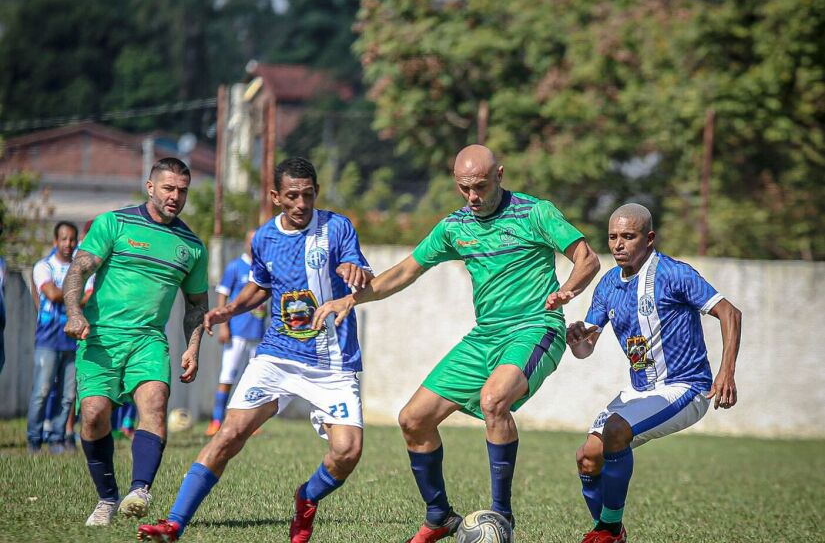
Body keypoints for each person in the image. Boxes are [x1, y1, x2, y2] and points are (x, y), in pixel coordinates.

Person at [311, 144, 601, 542]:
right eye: (464, 189)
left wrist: (567, 290)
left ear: (499, 174)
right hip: (484, 337)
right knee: (413, 419)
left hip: (536, 329)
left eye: (480, 186)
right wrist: (351, 298)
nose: (473, 197)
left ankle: (501, 516)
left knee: (493, 399)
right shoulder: (454, 226)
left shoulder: (536, 213)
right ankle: (439, 517)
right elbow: (404, 272)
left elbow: (587, 258)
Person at [138, 157, 374, 543]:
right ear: (275, 196)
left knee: (347, 452)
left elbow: (355, 269)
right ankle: (174, 523)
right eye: (293, 196)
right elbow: (261, 286)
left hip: (332, 361)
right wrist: (230, 309)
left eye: (308, 195)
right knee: (229, 434)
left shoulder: (337, 227)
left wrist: (354, 272)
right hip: (277, 355)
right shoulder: (264, 238)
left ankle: (306, 497)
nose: (301, 204)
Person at [566, 203, 741, 543]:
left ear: (648, 238)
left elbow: (729, 312)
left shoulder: (674, 274)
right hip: (640, 391)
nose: (618, 244)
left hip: (687, 388)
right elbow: (587, 347)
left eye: (628, 237)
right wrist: (577, 343)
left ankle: (607, 530)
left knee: (616, 430)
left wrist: (727, 372)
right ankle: (612, 532)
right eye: (613, 237)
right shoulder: (607, 286)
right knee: (587, 458)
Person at [62, 158, 209, 527]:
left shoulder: (191, 246)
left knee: (155, 404)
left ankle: (140, 490)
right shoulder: (115, 223)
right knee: (94, 415)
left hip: (148, 340)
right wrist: (75, 313)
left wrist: (193, 347)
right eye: (168, 188)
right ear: (150, 187)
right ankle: (107, 497)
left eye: (183, 190)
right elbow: (79, 268)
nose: (176, 197)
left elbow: (196, 305)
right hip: (101, 337)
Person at [26, 221, 84, 454]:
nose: (68, 244)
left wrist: (71, 296)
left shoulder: (81, 269)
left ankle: (57, 439)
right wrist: (75, 297)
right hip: (48, 341)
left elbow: (90, 294)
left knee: (68, 396)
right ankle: (33, 439)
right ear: (55, 241)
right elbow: (50, 293)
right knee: (42, 391)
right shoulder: (44, 266)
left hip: (73, 341)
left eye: (72, 239)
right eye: (63, 239)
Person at [204, 229, 266, 436]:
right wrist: (224, 325)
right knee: (227, 377)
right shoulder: (235, 267)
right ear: (246, 243)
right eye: (251, 241)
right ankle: (216, 420)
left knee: (255, 381)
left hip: (257, 334)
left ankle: (251, 423)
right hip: (237, 332)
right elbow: (223, 294)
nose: (254, 245)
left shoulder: (265, 267)